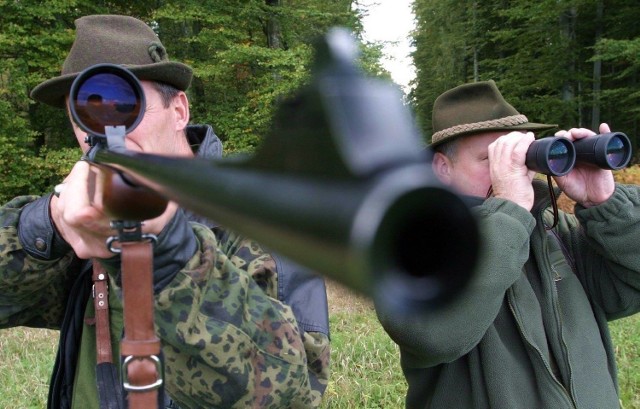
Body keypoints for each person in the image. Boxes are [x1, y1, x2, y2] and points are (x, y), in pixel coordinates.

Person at [0, 14, 330, 409]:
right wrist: (45, 227)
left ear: (179, 111)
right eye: (84, 111)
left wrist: (172, 256)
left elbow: (292, 393)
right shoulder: (83, 224)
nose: (101, 132)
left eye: (123, 105)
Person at [375, 80, 640, 408]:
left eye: (516, 156)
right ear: (442, 168)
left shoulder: (558, 234)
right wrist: (510, 210)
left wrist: (606, 203)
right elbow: (432, 335)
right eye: (491, 158)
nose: (510, 170)